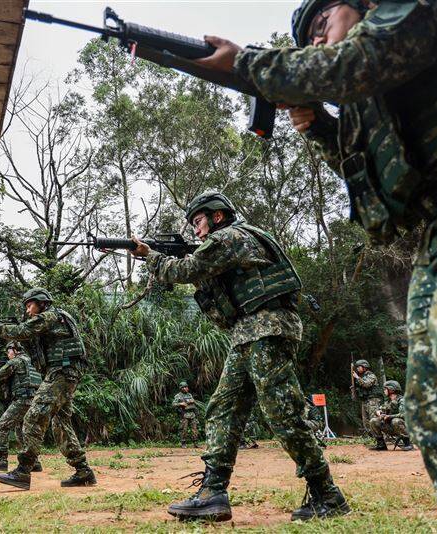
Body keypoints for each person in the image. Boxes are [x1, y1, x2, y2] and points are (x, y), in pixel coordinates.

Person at [191, 1, 437, 529]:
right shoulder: (376, 95)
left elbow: (359, 60)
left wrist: (246, 65)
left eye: (321, 27)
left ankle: (315, 488)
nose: (318, 45)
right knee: (434, 410)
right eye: (308, 43)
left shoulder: (404, 15)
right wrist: (320, 127)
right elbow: (377, 193)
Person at [131, 192, 348, 522]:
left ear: (217, 217)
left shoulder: (231, 236)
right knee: (223, 409)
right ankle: (212, 494)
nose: (197, 232)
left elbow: (188, 269)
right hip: (248, 333)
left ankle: (327, 494)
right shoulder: (231, 240)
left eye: (199, 222)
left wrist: (150, 255)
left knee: (281, 411)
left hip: (267, 328)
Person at [0, 288, 96, 490]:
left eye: (30, 305)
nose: (28, 311)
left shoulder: (49, 316)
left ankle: (23, 471)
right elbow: (29, 337)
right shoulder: (57, 318)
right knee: (61, 423)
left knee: (33, 417)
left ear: (41, 302)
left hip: (61, 372)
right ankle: (83, 471)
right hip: (64, 372)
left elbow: (22, 331)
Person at [0, 341, 44, 472]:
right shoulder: (31, 362)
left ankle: (1, 460)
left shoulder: (16, 362)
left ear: (16, 350)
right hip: (33, 400)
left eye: (9, 351)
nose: (8, 354)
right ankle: (33, 461)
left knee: (2, 425)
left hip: (22, 400)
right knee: (22, 431)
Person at [369, 380, 414, 452]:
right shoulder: (388, 401)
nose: (384, 391)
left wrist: (389, 416)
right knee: (373, 421)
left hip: (405, 427)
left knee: (395, 420)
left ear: (391, 390)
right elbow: (380, 409)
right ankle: (381, 445)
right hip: (392, 427)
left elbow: (404, 415)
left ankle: (408, 444)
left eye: (385, 389)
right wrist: (379, 412)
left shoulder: (402, 400)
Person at [351, 360, 384, 449]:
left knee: (374, 420)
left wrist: (357, 378)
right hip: (365, 401)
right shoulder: (362, 377)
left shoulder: (371, 375)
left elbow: (366, 384)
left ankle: (381, 442)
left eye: (359, 367)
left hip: (373, 400)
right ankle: (376, 440)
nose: (357, 368)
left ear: (364, 367)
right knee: (366, 422)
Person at [172, 381, 200, 448]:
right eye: (184, 387)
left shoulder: (189, 395)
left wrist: (192, 401)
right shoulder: (178, 396)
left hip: (192, 414)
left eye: (186, 387)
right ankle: (183, 443)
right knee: (184, 429)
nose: (186, 388)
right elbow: (173, 404)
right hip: (184, 414)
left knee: (195, 429)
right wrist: (180, 404)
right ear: (181, 388)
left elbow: (193, 402)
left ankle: (195, 443)